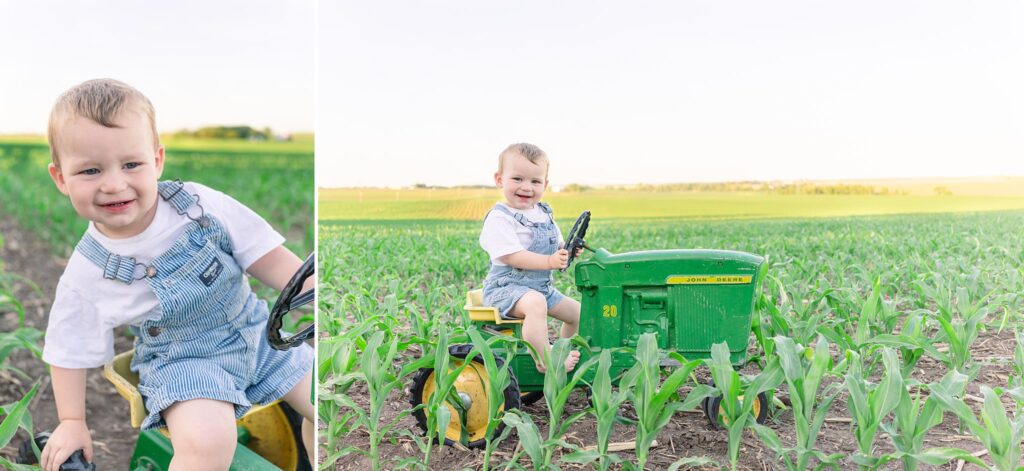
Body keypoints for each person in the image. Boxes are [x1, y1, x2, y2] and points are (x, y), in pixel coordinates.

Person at [38, 79, 314, 471]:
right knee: (207, 443)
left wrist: (314, 290)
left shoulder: (198, 205)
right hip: (184, 361)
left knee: (330, 401)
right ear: (61, 178)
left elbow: (266, 257)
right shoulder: (90, 270)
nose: (114, 184)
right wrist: (72, 422)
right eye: (90, 170)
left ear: (157, 160)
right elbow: (68, 348)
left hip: (254, 330)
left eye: (131, 164)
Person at [479, 143, 581, 373]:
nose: (526, 187)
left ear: (544, 184)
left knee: (577, 313)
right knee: (536, 303)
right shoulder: (500, 218)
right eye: (517, 179)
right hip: (505, 290)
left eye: (535, 181)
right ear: (499, 179)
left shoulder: (543, 213)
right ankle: (545, 362)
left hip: (541, 288)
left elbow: (556, 244)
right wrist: (549, 262)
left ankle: (561, 351)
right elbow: (512, 256)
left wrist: (568, 249)